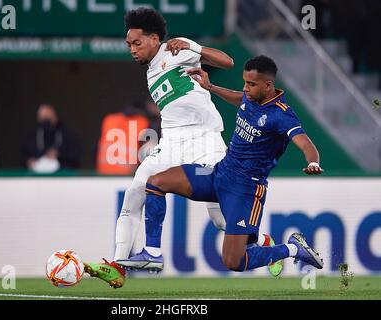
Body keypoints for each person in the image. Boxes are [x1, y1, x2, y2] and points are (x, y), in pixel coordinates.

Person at [83, 8, 283, 288]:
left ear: (155, 39)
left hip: (205, 140)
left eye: (137, 43)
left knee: (219, 218)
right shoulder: (151, 70)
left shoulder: (176, 50)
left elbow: (227, 62)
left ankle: (262, 241)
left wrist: (193, 46)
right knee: (134, 193)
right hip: (172, 143)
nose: (132, 50)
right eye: (129, 45)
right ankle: (117, 266)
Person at [139, 55, 325, 274]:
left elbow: (306, 144)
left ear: (268, 85)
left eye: (251, 84)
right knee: (156, 182)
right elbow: (240, 99)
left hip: (245, 190)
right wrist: (211, 87)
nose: (246, 88)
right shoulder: (251, 97)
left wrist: (313, 161)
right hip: (219, 173)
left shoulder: (282, 116)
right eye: (245, 82)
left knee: (233, 262)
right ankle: (151, 252)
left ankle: (293, 249)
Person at [20, 104, 80, 173]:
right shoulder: (31, 136)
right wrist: (29, 161)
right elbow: (23, 156)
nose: (46, 122)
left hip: (62, 176)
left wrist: (58, 154)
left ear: (55, 116)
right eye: (43, 118)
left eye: (48, 117)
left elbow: (74, 157)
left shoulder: (67, 135)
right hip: (36, 176)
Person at [95, 103, 150, 175]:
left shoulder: (109, 120)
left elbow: (96, 148)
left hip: (103, 173)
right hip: (126, 175)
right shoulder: (142, 123)